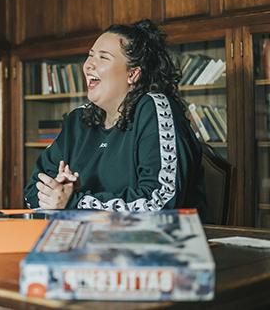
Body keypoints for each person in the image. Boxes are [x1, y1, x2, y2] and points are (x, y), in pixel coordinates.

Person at [24, 19, 206, 218]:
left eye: (103, 58)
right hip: (87, 241)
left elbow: (159, 201)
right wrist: (56, 192)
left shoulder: (154, 108)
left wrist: (73, 202)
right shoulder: (77, 120)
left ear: (133, 74)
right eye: (90, 55)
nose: (88, 65)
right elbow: (33, 190)